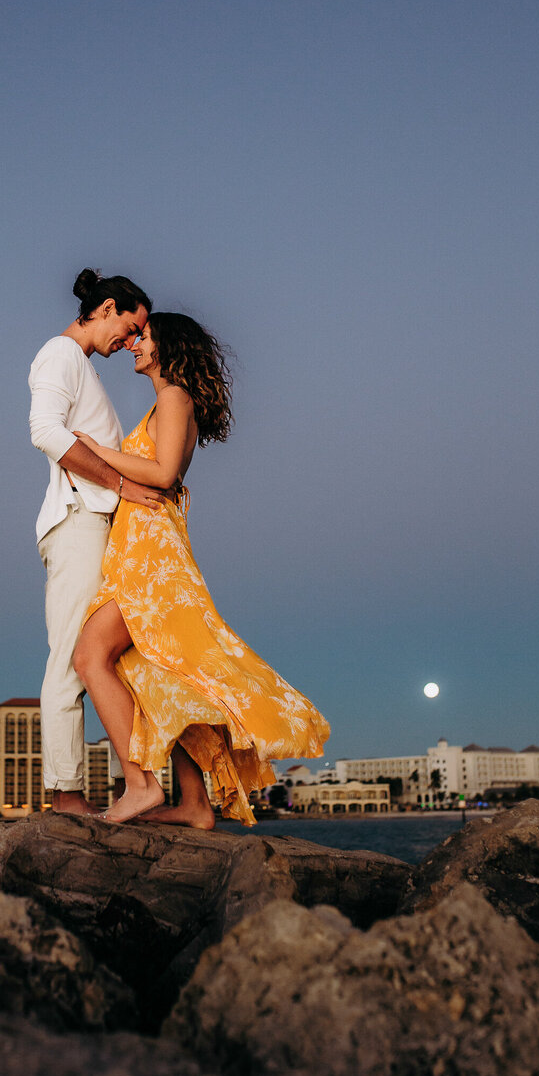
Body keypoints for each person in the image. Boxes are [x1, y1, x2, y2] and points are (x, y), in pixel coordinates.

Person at [73, 312, 330, 826]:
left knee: (89, 656)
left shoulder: (173, 398)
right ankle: (194, 805)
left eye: (143, 337)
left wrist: (98, 452)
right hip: (145, 549)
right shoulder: (168, 401)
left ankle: (141, 785)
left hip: (153, 557)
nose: (134, 344)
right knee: (162, 673)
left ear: (169, 346)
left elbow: (164, 473)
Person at [29, 268, 167, 815]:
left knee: (109, 660)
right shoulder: (61, 355)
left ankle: (132, 786)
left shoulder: (80, 366)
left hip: (97, 525)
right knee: (71, 658)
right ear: (106, 307)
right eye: (130, 328)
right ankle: (66, 795)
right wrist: (121, 484)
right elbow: (45, 431)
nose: (130, 342)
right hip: (80, 520)